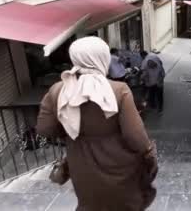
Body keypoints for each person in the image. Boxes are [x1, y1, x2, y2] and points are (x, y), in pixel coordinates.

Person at [36, 37, 157, 211]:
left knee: (90, 204)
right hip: (120, 164)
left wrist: (70, 128)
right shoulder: (118, 90)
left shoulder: (58, 90)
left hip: (81, 163)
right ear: (102, 58)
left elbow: (44, 129)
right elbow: (136, 137)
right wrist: (149, 155)